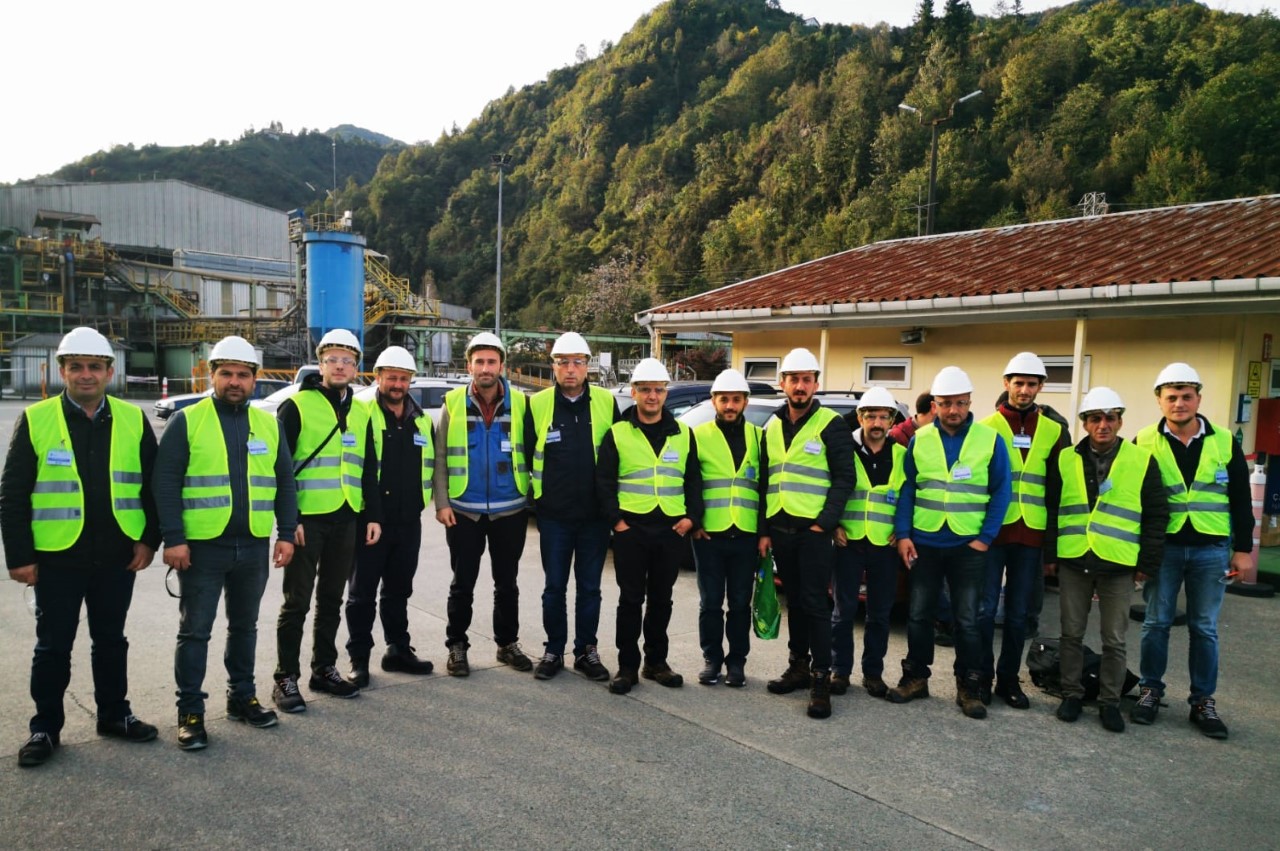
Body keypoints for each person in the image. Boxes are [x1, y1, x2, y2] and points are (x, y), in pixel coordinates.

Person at [1, 327, 161, 767]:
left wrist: (149, 540)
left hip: (117, 556)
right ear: (62, 371)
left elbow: (152, 487)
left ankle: (114, 715)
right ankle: (44, 728)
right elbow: (12, 494)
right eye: (76, 367)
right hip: (57, 558)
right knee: (53, 646)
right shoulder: (36, 419)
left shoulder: (132, 419)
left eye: (94, 366)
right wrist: (20, 557)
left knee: (110, 641)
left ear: (110, 371)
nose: (85, 374)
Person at [155, 336, 298, 750]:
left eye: (243, 375)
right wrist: (174, 539)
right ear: (212, 375)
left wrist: (286, 533)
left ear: (254, 379)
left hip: (252, 545)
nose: (235, 381)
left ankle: (242, 697)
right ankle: (191, 712)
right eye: (227, 374)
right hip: (202, 547)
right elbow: (165, 483)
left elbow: (285, 482)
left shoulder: (268, 424)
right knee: (195, 632)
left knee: (245, 627)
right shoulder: (188, 420)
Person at [1133, 362, 1253, 739]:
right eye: (1172, 397)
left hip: (1210, 550)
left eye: (1186, 396)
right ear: (1159, 400)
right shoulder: (1143, 441)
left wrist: (1243, 549)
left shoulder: (1223, 440)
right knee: (1156, 623)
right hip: (1164, 548)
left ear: (1199, 399)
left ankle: (1202, 701)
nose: (1179, 403)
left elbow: (1240, 498)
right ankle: (1150, 691)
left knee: (1204, 628)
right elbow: (1133, 499)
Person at [888, 366, 1011, 720]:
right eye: (945, 403)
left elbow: (1001, 491)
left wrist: (985, 538)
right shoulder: (920, 439)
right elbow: (908, 489)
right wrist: (904, 534)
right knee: (918, 615)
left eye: (959, 403)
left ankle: (969, 685)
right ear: (935, 404)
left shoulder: (990, 440)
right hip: (925, 542)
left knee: (967, 619)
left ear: (969, 402)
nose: (953, 410)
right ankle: (915, 677)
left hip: (968, 545)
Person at [1044, 387, 1166, 732]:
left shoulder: (1141, 459)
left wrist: (1147, 563)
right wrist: (1050, 556)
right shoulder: (1064, 459)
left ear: (1120, 421)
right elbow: (1052, 509)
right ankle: (1071, 694)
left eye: (1110, 418)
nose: (1103, 425)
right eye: (1095, 418)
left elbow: (1157, 514)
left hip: (1118, 563)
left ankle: (1109, 702)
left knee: (1114, 639)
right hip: (1074, 558)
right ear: (1084, 423)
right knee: (1071, 634)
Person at [273, 328, 381, 712]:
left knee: (332, 599)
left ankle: (324, 668)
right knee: (297, 602)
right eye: (332, 359)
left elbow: (367, 468)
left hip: (347, 517)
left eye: (347, 361)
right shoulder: (296, 406)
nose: (339, 366)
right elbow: (280, 469)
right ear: (320, 364)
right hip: (308, 520)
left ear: (356, 368)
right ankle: (286, 677)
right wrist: (290, 522)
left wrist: (372, 515)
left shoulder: (362, 411)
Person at [596, 357, 702, 695]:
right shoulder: (618, 433)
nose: (652, 396)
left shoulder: (683, 434)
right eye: (645, 390)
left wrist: (691, 518)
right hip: (632, 530)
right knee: (630, 600)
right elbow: (604, 482)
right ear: (634, 392)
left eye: (658, 390)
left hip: (671, 530)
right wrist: (617, 522)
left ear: (666, 393)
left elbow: (694, 481)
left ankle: (656, 662)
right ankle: (627, 666)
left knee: (662, 599)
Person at [759, 348, 855, 719]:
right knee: (796, 602)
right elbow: (766, 480)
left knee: (815, 604)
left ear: (815, 383)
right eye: (793, 380)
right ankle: (797, 666)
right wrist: (765, 529)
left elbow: (845, 478)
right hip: (781, 530)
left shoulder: (831, 424)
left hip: (813, 533)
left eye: (806, 380)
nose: (800, 386)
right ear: (782, 383)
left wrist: (824, 523)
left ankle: (820, 679)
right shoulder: (771, 425)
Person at [434, 332, 534, 677]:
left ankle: (507, 644)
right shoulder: (452, 403)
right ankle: (457, 646)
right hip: (464, 510)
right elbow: (440, 457)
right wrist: (442, 502)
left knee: (507, 583)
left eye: (492, 362)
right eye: (479, 362)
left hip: (511, 509)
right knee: (462, 584)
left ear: (502, 366)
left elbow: (535, 451)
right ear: (469, 366)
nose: (486, 368)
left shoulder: (521, 403)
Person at [975, 353, 1070, 709]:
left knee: (1018, 615)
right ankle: (981, 677)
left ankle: (1008, 680)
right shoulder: (986, 428)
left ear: (1041, 387)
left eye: (1032, 384)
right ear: (1006, 384)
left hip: (1031, 535)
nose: (1025, 390)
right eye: (1019, 383)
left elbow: (1058, 492)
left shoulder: (1054, 431)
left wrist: (1052, 548)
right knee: (985, 611)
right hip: (993, 533)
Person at [528, 332, 618, 681]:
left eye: (577, 362)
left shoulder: (606, 402)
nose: (570, 369)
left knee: (590, 589)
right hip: (554, 517)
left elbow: (617, 454)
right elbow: (526, 454)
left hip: (595, 518)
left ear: (587, 366)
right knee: (554, 587)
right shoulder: (538, 404)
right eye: (562, 362)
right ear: (553, 366)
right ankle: (554, 650)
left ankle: (586, 651)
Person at [345, 346, 435, 688]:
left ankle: (397, 649)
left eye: (403, 378)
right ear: (378, 377)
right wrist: (369, 514)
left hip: (408, 521)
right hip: (371, 520)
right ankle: (358, 659)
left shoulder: (421, 420)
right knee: (362, 594)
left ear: (411, 381)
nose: (397, 384)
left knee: (399, 590)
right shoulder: (362, 412)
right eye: (391, 377)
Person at [832, 387, 905, 699]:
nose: (877, 422)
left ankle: (873, 673)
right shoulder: (844, 451)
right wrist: (833, 525)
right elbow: (830, 490)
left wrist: (902, 530)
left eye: (883, 417)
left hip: (884, 545)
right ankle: (839, 670)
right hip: (848, 542)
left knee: (879, 613)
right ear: (860, 417)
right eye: (871, 416)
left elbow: (909, 497)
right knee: (843, 610)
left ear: (892, 420)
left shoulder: (902, 455)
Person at [691, 369, 761, 688]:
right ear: (713, 401)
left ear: (745, 402)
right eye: (724, 400)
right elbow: (690, 482)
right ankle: (712, 659)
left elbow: (766, 487)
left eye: (735, 399)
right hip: (709, 535)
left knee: (740, 604)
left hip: (745, 534)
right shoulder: (698, 436)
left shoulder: (759, 437)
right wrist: (695, 522)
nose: (729, 405)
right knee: (710, 603)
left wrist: (763, 532)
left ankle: (737, 662)